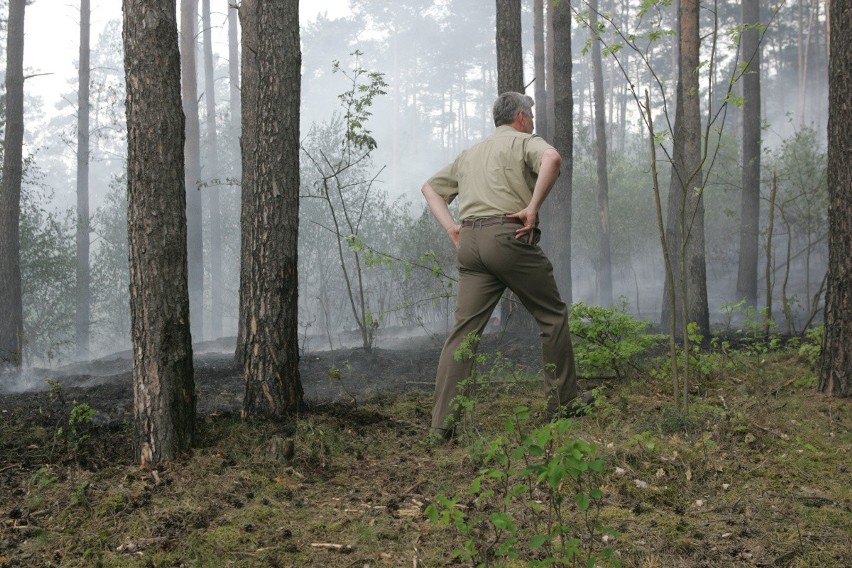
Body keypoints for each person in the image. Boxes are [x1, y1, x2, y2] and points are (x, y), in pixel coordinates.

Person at [421, 91, 580, 441]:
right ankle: (564, 404)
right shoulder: (524, 142)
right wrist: (533, 207)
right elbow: (553, 159)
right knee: (552, 316)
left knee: (463, 334)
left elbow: (429, 188)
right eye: (532, 117)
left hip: (472, 244)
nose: (533, 123)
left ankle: (440, 427)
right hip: (508, 238)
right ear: (521, 118)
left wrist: (452, 228)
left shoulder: (470, 153)